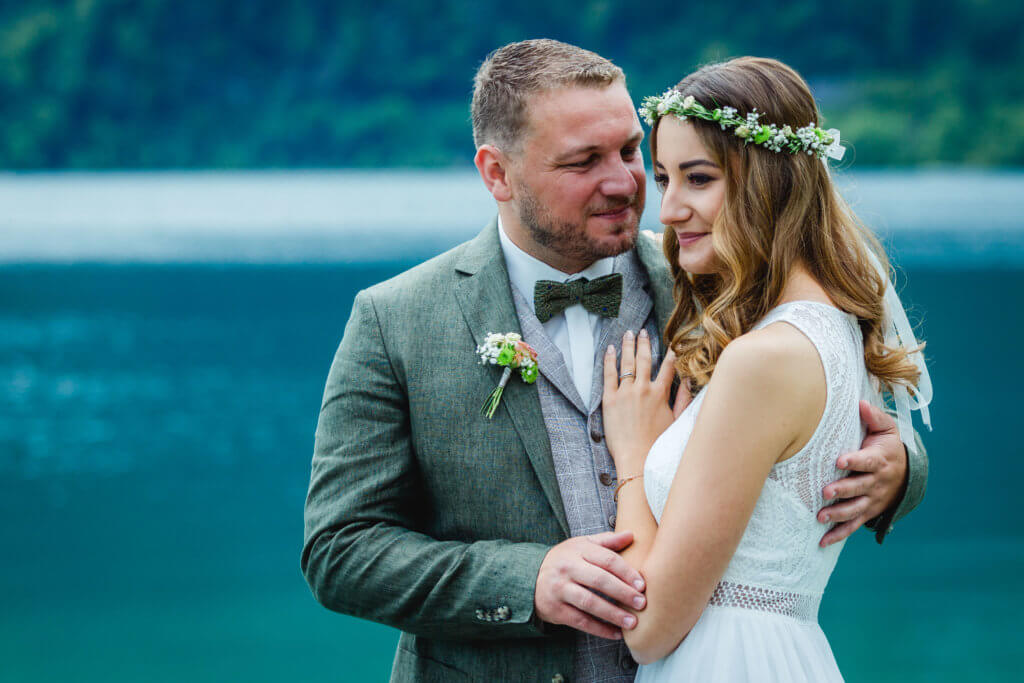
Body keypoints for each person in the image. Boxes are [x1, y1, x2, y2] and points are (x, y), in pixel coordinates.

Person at [302, 40, 928, 682]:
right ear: (497, 173)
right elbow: (339, 551)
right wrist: (528, 581)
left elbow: (814, 395)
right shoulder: (396, 319)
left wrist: (894, 471)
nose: (626, 182)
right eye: (583, 161)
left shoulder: (715, 275)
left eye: (631, 150)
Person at [600, 57, 932, 681]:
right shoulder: (832, 328)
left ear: (768, 183)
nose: (667, 210)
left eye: (698, 179)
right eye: (663, 177)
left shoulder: (765, 356)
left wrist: (634, 457)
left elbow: (647, 631)